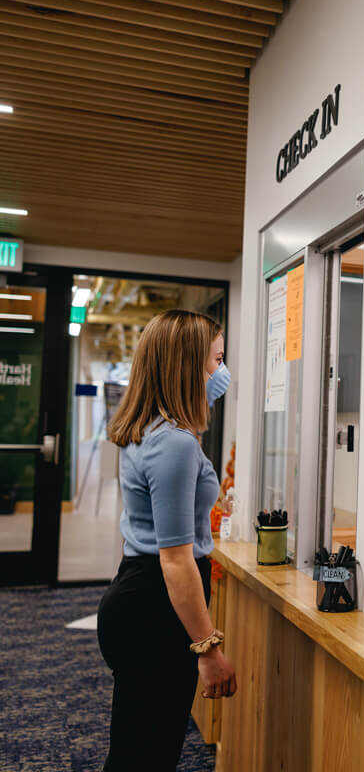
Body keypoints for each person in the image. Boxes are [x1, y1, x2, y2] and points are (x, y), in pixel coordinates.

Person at [97, 310, 237, 771]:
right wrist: (209, 648)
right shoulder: (173, 443)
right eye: (216, 360)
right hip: (155, 610)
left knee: (138, 751)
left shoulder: (151, 430)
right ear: (188, 365)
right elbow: (176, 562)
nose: (222, 371)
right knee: (146, 756)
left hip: (141, 597)